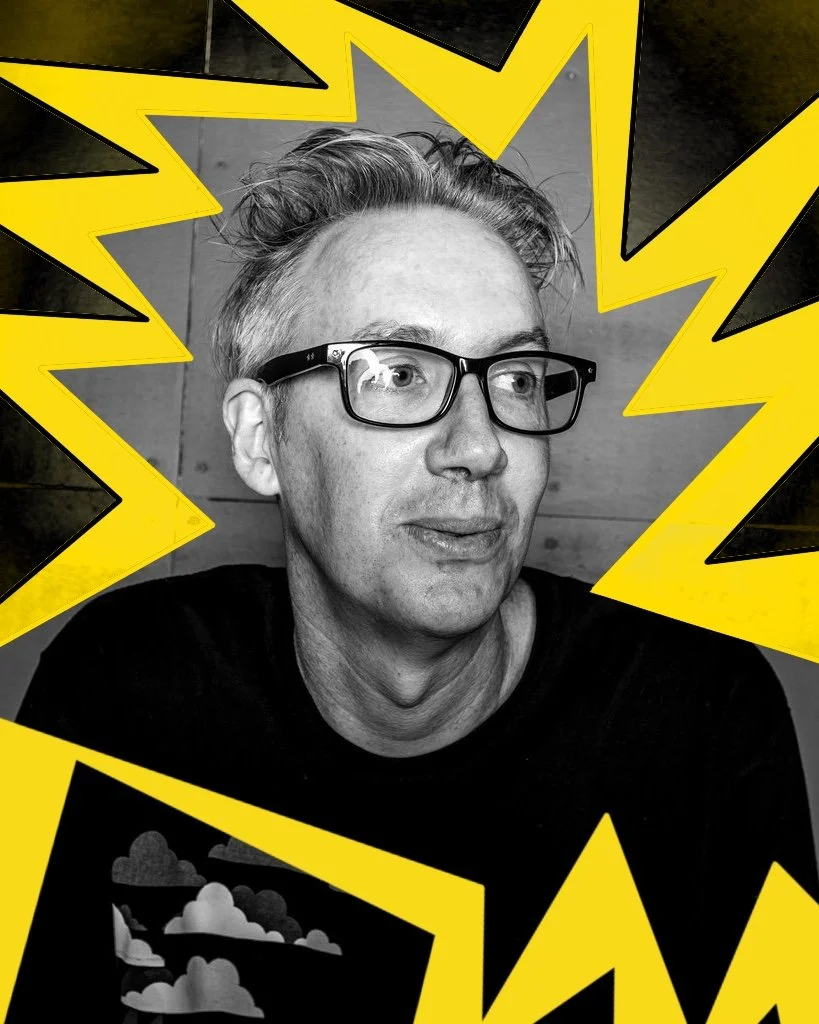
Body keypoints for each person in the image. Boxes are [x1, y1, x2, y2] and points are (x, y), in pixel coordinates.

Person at [13, 128, 818, 1023]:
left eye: (515, 379)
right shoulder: (123, 686)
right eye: (396, 373)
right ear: (260, 439)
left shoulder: (697, 718)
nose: (479, 446)